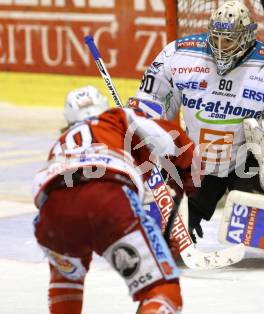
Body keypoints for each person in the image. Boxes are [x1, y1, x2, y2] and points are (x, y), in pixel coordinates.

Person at [133, 0, 264, 243]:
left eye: (229, 40)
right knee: (166, 236)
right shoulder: (179, 54)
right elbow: (154, 96)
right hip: (197, 162)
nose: (220, 47)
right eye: (216, 38)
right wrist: (143, 117)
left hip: (247, 160)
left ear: (245, 37)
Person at [32, 85, 195, 314]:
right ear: (103, 108)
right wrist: (189, 174)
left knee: (67, 281)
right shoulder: (116, 117)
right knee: (163, 290)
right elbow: (171, 138)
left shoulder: (60, 143)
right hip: (108, 199)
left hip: (53, 213)